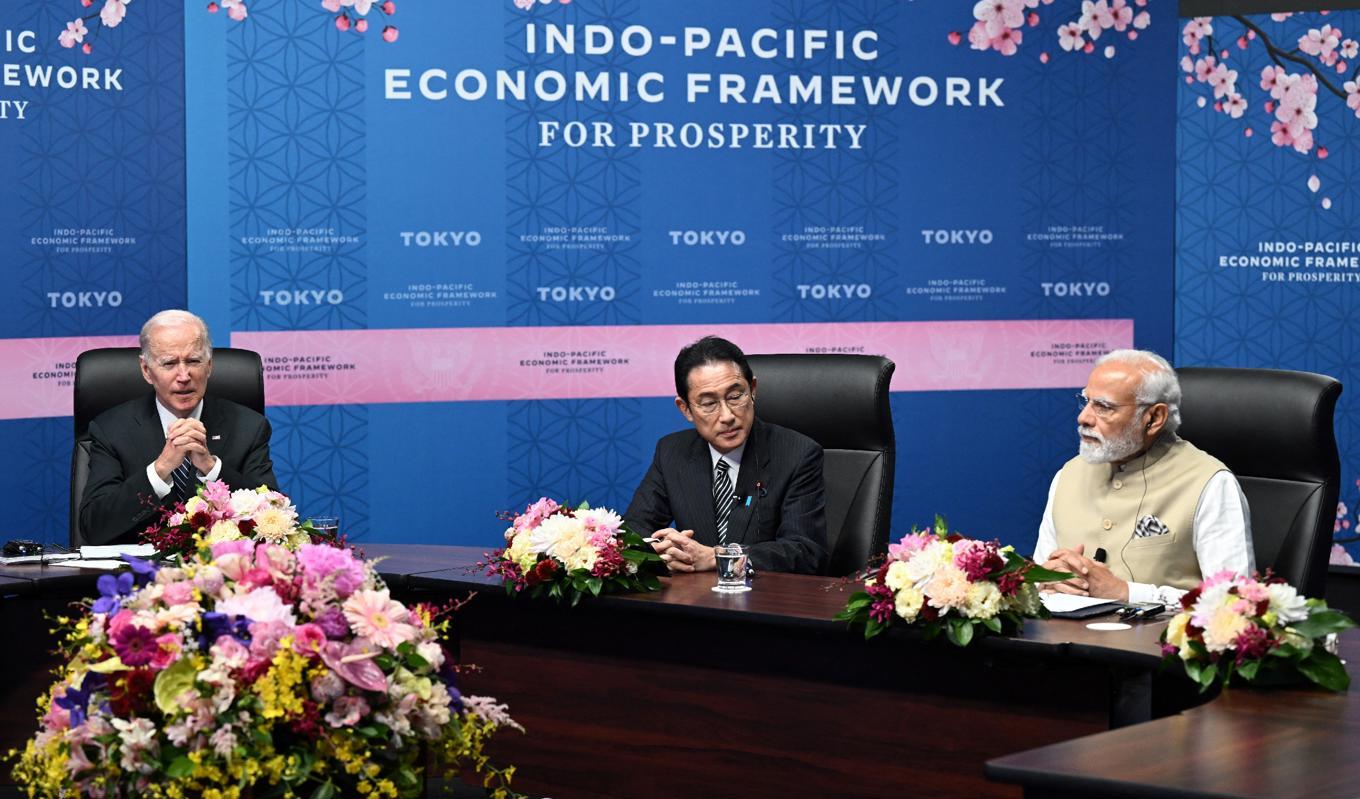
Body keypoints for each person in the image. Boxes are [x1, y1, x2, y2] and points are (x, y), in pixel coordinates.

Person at [1034, 349, 1254, 605]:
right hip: (1064, 640)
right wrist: (1049, 580)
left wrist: (1127, 592)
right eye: (1086, 401)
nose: (1083, 418)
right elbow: (1039, 579)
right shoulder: (1068, 475)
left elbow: (1236, 604)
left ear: (1153, 418)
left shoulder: (1210, 483)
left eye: (1104, 407)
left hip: (1154, 643)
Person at [625, 336, 828, 575]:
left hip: (764, 600)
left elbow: (805, 552)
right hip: (695, 602)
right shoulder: (672, 452)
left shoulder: (797, 454)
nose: (727, 416)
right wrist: (663, 551)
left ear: (752, 390)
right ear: (686, 409)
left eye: (735, 396)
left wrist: (718, 557)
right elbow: (634, 529)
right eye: (709, 403)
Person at [79, 310, 279, 545]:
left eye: (193, 361)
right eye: (170, 363)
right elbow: (93, 526)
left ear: (209, 366)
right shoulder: (111, 429)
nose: (184, 376)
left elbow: (272, 516)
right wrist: (160, 469)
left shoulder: (249, 427)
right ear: (146, 370)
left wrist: (211, 469)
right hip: (141, 576)